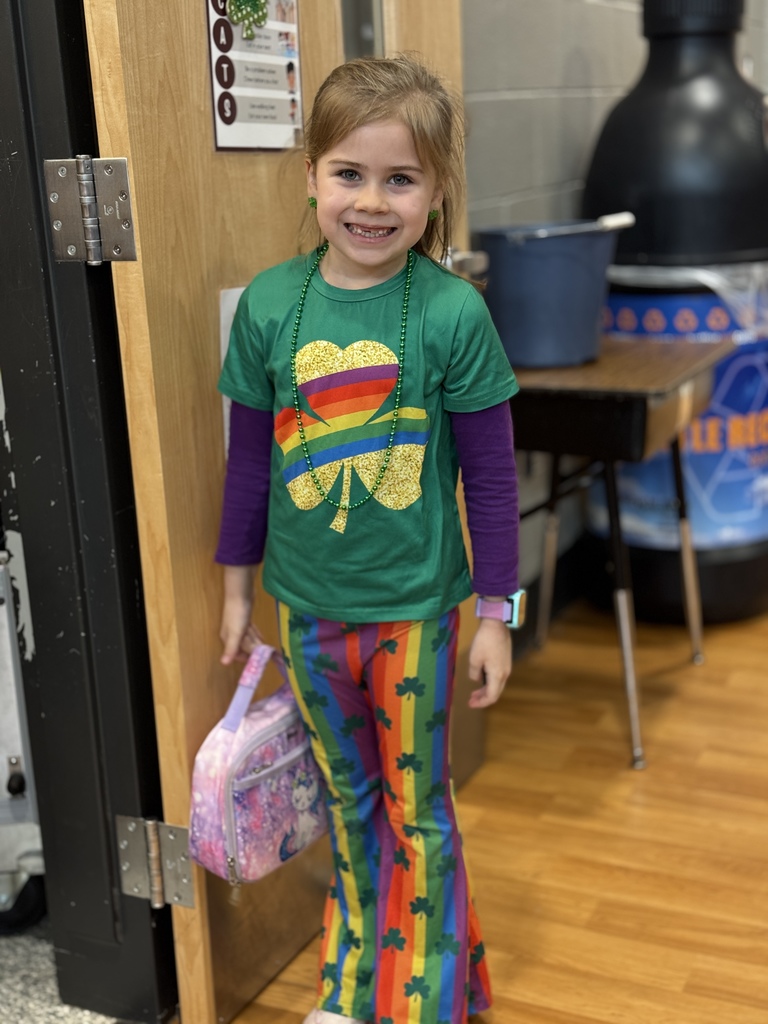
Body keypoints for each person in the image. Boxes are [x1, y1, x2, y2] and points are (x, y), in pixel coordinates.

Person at [216, 53, 522, 1024]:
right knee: (351, 810)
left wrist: (496, 613)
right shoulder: (270, 305)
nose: (373, 202)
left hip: (418, 616)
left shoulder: (453, 312)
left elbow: (495, 477)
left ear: (436, 192)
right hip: (307, 613)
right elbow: (249, 467)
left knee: (418, 812)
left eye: (402, 179)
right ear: (310, 175)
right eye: (350, 173)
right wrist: (236, 588)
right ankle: (356, 992)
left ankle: (422, 1004)